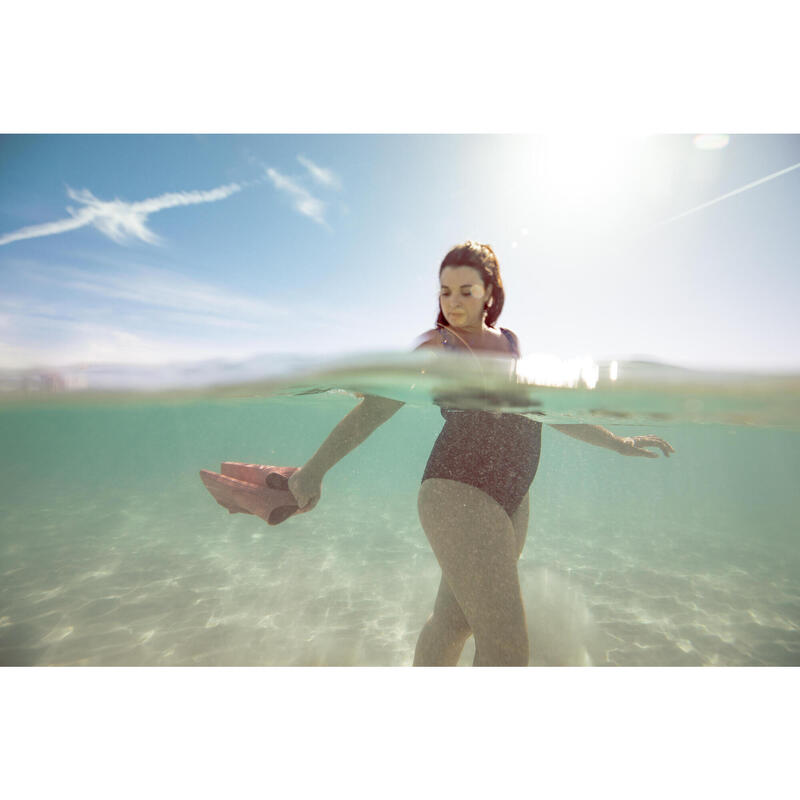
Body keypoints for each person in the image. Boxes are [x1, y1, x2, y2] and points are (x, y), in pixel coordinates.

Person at [287, 241, 674, 666]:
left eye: (465, 291)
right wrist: (313, 471)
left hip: (514, 497)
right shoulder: (437, 347)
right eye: (445, 291)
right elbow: (377, 407)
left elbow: (544, 413)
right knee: (507, 650)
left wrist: (618, 443)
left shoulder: (510, 344)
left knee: (454, 623)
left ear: (489, 293)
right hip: (459, 490)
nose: (453, 302)